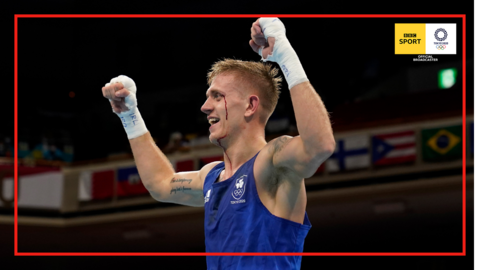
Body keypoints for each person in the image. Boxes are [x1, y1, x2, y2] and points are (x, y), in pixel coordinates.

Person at [102, 17, 335, 269]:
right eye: (207, 97)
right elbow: (160, 184)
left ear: (250, 106)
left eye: (217, 96)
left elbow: (319, 145)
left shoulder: (274, 162)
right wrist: (129, 116)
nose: (204, 107)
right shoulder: (211, 177)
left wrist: (285, 56)